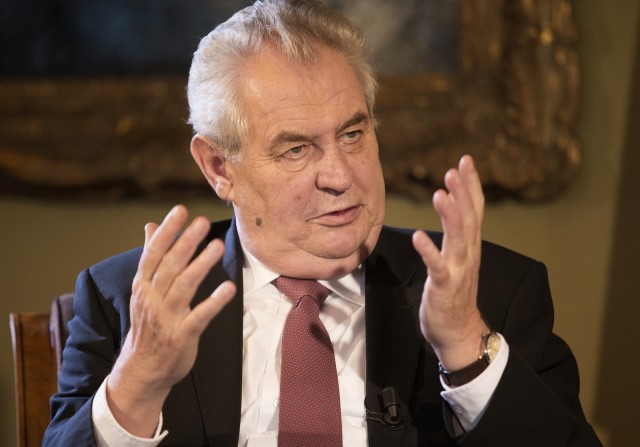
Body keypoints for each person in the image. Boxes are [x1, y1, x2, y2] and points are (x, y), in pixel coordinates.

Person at [43, 0, 602, 445]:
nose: (340, 175)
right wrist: (137, 384)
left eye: (353, 134)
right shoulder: (124, 301)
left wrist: (465, 351)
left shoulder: (491, 293)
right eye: (296, 149)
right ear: (219, 167)